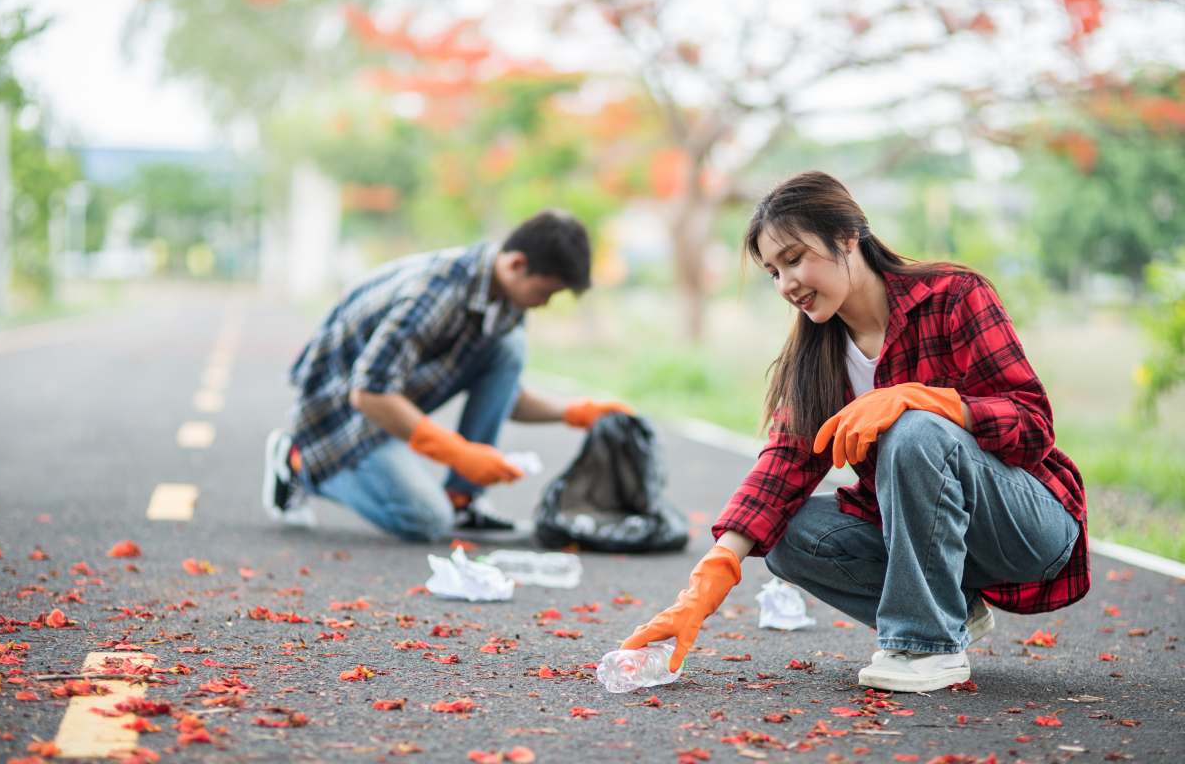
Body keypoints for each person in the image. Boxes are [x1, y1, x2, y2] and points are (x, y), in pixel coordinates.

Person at [621, 172, 1087, 693]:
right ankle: (951, 611)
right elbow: (782, 468)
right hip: (932, 539)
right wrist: (704, 587)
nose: (785, 284)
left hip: (1025, 524)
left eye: (794, 258)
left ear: (848, 236)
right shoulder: (817, 356)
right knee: (785, 534)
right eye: (773, 271)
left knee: (913, 430)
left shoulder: (953, 295)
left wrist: (923, 399)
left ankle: (927, 644)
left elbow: (1033, 424)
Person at [261, 209, 630, 540]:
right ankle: (298, 462)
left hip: (390, 396)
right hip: (341, 417)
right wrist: (458, 453)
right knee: (426, 522)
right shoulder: (437, 293)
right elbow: (368, 394)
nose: (545, 303)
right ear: (517, 264)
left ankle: (461, 499)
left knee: (508, 347)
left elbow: (504, 396)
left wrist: (574, 413)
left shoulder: (503, 296)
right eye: (545, 292)